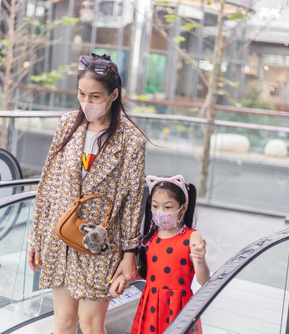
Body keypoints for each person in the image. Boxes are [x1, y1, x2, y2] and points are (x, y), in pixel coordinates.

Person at [27, 53, 147, 334]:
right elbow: (48, 185)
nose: (87, 102)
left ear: (114, 94)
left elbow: (133, 202)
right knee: (64, 320)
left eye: (95, 96)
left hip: (99, 243)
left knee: (92, 324)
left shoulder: (131, 140)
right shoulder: (68, 123)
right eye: (82, 94)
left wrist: (130, 253)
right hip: (60, 237)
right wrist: (35, 237)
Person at [110, 174, 210, 334]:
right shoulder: (150, 237)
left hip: (179, 309)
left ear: (183, 207)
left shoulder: (191, 236)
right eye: (155, 206)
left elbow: (204, 280)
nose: (160, 212)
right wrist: (124, 277)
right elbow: (150, 273)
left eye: (168, 207)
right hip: (150, 307)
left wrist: (200, 260)